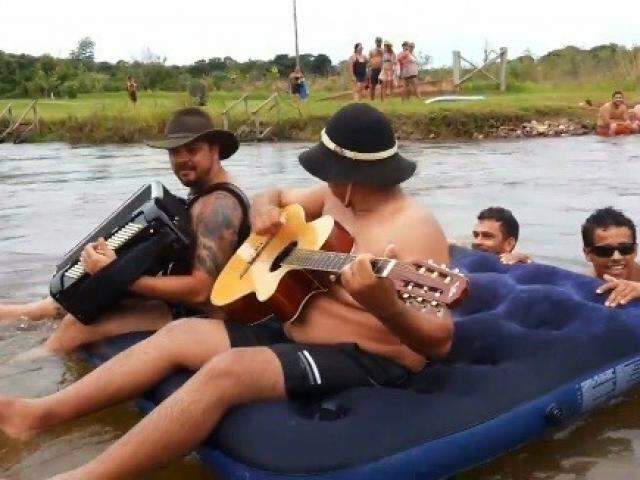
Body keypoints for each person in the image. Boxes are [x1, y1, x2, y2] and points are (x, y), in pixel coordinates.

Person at [0, 103, 455, 480]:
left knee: (227, 371)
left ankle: (84, 477)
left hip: (368, 358)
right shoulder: (337, 196)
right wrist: (261, 211)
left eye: (331, 171)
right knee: (179, 337)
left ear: (354, 174)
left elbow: (438, 341)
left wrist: (386, 306)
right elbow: (274, 194)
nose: (327, 181)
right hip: (293, 324)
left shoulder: (412, 229)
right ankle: (37, 413)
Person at [0, 108, 250, 355]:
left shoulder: (218, 205)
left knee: (75, 325)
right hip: (179, 299)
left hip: (203, 314)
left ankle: (21, 368)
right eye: (175, 152)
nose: (182, 159)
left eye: (192, 150)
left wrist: (118, 275)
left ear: (215, 150)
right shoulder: (203, 191)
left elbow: (200, 291)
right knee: (65, 301)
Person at [582, 207, 640, 308]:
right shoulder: (581, 285)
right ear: (587, 254)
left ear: (635, 250)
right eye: (605, 251)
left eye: (625, 249)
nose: (616, 257)